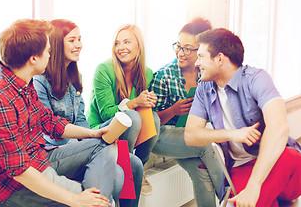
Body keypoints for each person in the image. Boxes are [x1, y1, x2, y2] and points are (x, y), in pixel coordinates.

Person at [0, 19, 123, 207]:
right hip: (7, 187)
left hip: (38, 159)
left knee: (105, 145)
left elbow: (49, 122)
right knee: (106, 192)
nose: (50, 55)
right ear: (33, 58)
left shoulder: (23, 81)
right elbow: (19, 170)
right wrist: (76, 199)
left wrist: (92, 133)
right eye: (48, 51)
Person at [184, 28, 301, 207]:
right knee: (251, 201)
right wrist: (233, 134)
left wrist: (254, 186)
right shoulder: (204, 88)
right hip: (241, 167)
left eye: (201, 56)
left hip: (278, 161)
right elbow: (191, 136)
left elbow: (280, 127)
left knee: (291, 156)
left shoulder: (257, 78)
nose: (196, 63)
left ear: (220, 58)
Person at [33, 19, 143, 207]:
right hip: (56, 150)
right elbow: (47, 129)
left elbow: (81, 119)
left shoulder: (75, 77)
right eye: (72, 40)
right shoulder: (39, 80)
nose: (79, 45)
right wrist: (86, 141)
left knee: (134, 164)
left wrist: (87, 139)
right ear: (58, 44)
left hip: (80, 142)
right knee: (115, 170)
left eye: (80, 39)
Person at [149, 17, 223, 207]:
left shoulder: (205, 75)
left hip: (187, 136)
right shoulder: (164, 75)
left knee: (201, 172)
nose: (180, 53)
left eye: (188, 49)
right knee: (205, 144)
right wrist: (174, 110)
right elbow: (150, 123)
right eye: (178, 46)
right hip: (160, 136)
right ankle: (233, 198)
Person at [87, 24, 161, 199]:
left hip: (128, 132)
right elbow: (106, 114)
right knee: (133, 117)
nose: (121, 48)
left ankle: (139, 167)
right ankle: (125, 167)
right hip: (101, 127)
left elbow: (144, 114)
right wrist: (135, 102)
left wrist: (149, 102)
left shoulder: (147, 73)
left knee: (154, 117)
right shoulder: (103, 70)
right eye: (117, 43)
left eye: (127, 42)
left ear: (139, 46)